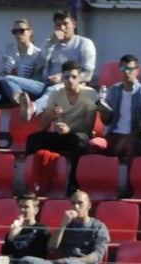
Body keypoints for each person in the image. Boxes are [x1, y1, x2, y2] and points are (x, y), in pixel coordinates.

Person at [25, 60, 98, 194]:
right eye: (66, 77)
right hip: (60, 135)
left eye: (73, 77)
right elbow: (42, 127)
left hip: (78, 135)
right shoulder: (56, 94)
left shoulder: (90, 94)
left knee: (81, 140)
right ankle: (30, 184)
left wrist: (70, 130)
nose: (69, 80)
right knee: (33, 139)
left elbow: (89, 127)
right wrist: (50, 115)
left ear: (80, 78)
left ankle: (73, 187)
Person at [15, 11, 97, 121]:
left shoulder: (84, 44)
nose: (62, 28)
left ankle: (33, 108)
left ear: (74, 24)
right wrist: (51, 44)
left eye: (65, 24)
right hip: (44, 82)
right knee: (9, 79)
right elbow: (38, 66)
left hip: (68, 84)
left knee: (53, 90)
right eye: (58, 25)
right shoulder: (50, 43)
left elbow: (88, 74)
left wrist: (63, 78)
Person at [0, 18, 41, 108]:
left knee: (7, 80)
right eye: (15, 32)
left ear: (30, 32)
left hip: (25, 89)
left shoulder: (37, 53)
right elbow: (0, 71)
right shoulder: (8, 50)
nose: (18, 34)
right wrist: (0, 74)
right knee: (5, 82)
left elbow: (37, 81)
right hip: (7, 88)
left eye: (21, 31)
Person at [95, 54, 141, 161]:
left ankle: (130, 178)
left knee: (131, 146)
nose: (126, 72)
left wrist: (126, 139)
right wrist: (103, 111)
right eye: (123, 68)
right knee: (94, 144)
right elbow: (107, 121)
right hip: (113, 134)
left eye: (130, 69)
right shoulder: (113, 90)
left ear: (137, 71)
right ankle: (98, 177)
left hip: (134, 136)